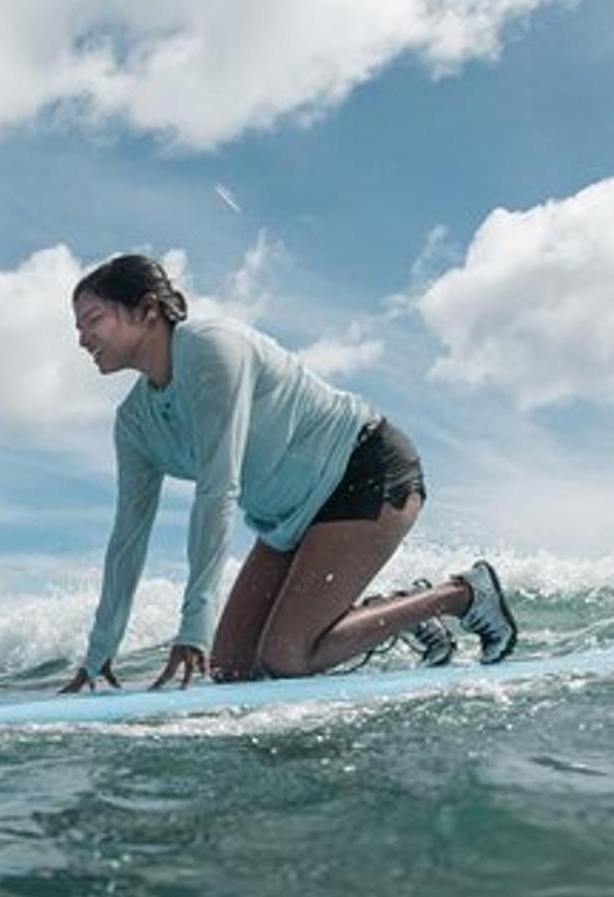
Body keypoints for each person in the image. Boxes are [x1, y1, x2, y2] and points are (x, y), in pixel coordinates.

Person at [60, 253, 516, 693]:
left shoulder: (212, 348)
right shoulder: (135, 422)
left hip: (364, 469)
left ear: (146, 310)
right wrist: (100, 653)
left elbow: (219, 491)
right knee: (230, 669)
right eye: (78, 326)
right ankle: (393, 614)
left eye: (93, 319)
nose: (82, 338)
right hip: (288, 521)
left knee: (287, 656)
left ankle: (461, 595)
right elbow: (128, 537)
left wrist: (194, 628)